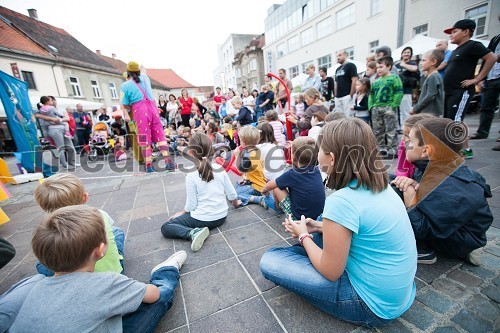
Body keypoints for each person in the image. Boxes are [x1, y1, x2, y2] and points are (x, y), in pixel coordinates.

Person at [260, 118, 417, 327]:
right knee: (317, 223)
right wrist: (317, 227)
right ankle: (313, 244)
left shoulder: (342, 201)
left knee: (270, 260)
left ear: (331, 158)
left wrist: (303, 236)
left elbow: (331, 272)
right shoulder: (383, 186)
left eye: (320, 149)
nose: (317, 155)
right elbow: (360, 228)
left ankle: (309, 251)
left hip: (370, 304)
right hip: (397, 294)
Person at [9, 205, 187, 333]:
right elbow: (153, 295)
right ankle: (166, 272)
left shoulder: (32, 287)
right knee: (160, 297)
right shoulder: (106, 283)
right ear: (100, 250)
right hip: (122, 296)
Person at [391, 118, 493, 264]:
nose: (404, 143)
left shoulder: (451, 187)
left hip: (456, 242)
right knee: (392, 184)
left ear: (426, 150)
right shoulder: (438, 165)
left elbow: (424, 228)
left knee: (397, 195)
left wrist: (410, 199)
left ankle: (423, 250)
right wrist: (413, 184)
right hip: (449, 226)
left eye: (410, 140)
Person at [161, 133, 240, 252]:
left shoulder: (191, 175)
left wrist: (182, 213)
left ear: (191, 153)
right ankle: (195, 231)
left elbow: (191, 205)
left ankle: (192, 233)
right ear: (211, 149)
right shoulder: (220, 169)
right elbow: (232, 194)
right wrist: (236, 203)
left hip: (203, 219)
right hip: (222, 216)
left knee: (166, 227)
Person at [33, 173, 124, 276]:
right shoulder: (100, 215)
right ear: (84, 197)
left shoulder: (49, 229)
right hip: (114, 273)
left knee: (40, 264)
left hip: (73, 276)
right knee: (117, 231)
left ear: (44, 207)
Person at [442, 19, 496, 159]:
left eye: (454, 32)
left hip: (461, 91)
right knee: (451, 120)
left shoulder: (473, 45)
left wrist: (478, 79)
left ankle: (455, 151)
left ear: (466, 32)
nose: (451, 35)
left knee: (455, 120)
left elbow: (492, 58)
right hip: (450, 91)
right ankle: (465, 149)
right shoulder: (456, 50)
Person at [121, 61, 175, 172]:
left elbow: (124, 103)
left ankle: (149, 166)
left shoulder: (124, 86)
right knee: (160, 136)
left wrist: (132, 108)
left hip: (139, 111)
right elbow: (144, 70)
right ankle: (168, 162)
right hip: (153, 108)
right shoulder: (146, 78)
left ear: (128, 72)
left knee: (143, 137)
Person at [261, 136, 325, 219]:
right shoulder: (317, 170)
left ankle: (278, 208)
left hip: (299, 218)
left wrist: (264, 190)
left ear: (294, 157)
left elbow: (270, 185)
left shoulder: (292, 174)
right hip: (318, 216)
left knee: (277, 187)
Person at [369, 56, 403, 157]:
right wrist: (371, 106)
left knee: (390, 129)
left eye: (381, 67)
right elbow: (371, 95)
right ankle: (381, 148)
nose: (378, 69)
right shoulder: (376, 81)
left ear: (389, 67)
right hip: (377, 107)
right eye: (377, 67)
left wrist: (394, 105)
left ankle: (392, 150)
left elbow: (399, 92)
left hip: (389, 106)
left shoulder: (394, 78)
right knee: (377, 130)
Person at [469, 34, 500, 140]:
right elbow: (485, 58)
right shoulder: (495, 39)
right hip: (491, 77)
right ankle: (482, 132)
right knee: (486, 106)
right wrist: (481, 78)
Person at [233, 126, 272, 209]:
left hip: (257, 187)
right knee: (237, 184)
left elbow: (240, 170)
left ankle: (258, 199)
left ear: (244, 142)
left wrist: (237, 156)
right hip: (252, 181)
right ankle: (246, 193)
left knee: (233, 196)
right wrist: (244, 179)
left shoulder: (251, 155)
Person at [35, 96, 76, 168]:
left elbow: (67, 118)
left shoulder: (60, 109)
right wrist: (52, 119)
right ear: (48, 102)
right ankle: (64, 164)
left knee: (70, 147)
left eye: (53, 100)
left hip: (62, 128)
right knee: (60, 147)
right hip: (54, 129)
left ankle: (71, 162)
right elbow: (37, 115)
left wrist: (59, 120)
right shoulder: (47, 109)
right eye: (51, 100)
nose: (53, 102)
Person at [395, 113, 435, 180]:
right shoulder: (404, 144)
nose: (402, 139)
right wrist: (402, 181)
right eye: (402, 134)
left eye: (407, 136)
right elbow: (401, 168)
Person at [411, 49, 445, 116]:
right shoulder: (431, 76)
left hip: (430, 114)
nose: (421, 63)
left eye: (423, 60)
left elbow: (430, 96)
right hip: (428, 113)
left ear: (433, 62)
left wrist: (416, 108)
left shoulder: (433, 77)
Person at [395, 47, 419, 125]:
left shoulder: (412, 63)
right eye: (404, 52)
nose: (406, 54)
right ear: (402, 54)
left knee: (406, 111)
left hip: (407, 90)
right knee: (398, 111)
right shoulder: (397, 64)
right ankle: (400, 127)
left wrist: (404, 65)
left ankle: (406, 127)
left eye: (408, 52)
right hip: (396, 91)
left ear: (411, 54)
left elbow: (414, 69)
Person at [334, 50, 358, 117]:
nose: (338, 57)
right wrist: (335, 95)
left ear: (345, 55)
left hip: (347, 95)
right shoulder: (337, 69)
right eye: (337, 56)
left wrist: (351, 95)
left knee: (348, 117)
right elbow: (336, 82)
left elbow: (354, 80)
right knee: (339, 117)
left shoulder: (351, 66)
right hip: (338, 97)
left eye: (340, 55)